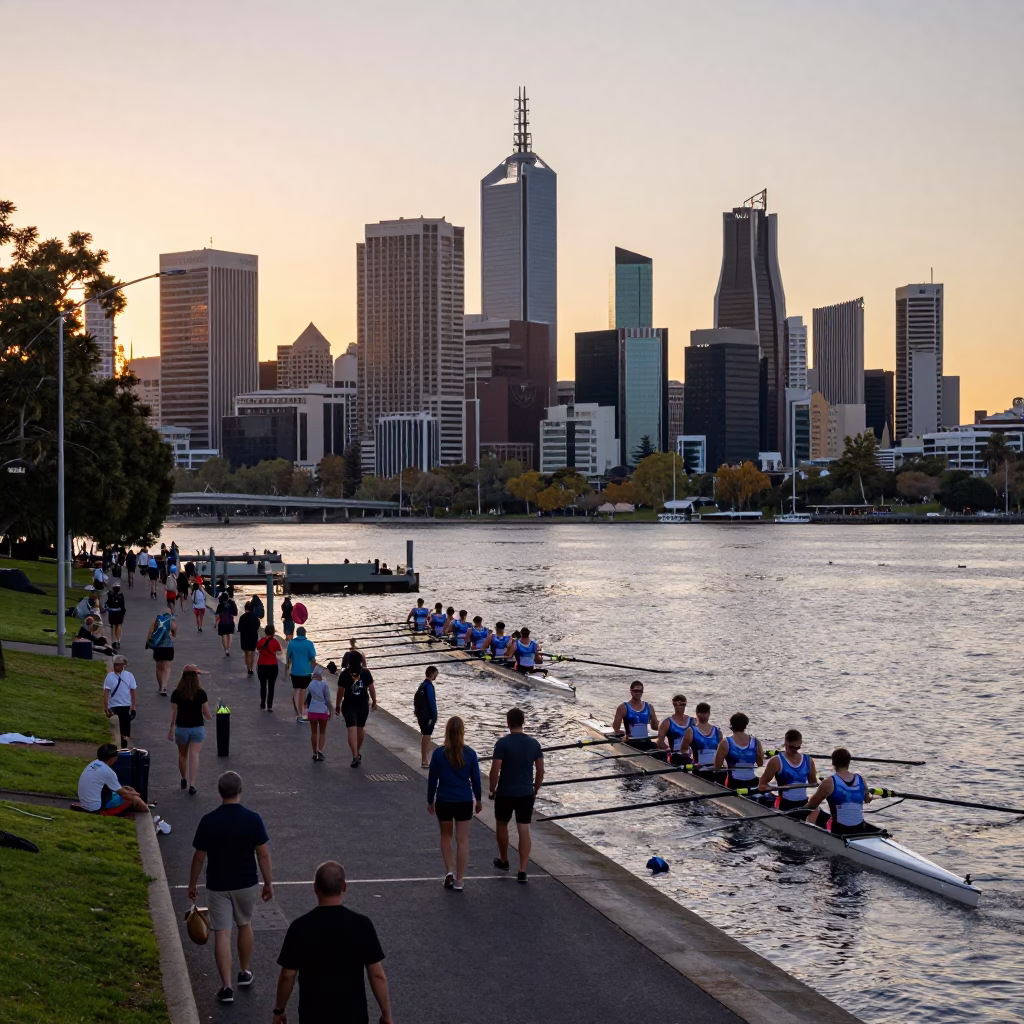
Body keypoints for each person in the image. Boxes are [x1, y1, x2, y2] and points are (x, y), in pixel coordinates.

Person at [188, 772, 274, 1006]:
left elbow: (199, 857)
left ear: (219, 792)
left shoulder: (209, 820)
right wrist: (268, 882)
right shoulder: (253, 819)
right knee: (245, 924)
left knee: (222, 934)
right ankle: (244, 972)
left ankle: (226, 987)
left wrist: (193, 883)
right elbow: (263, 854)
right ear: (240, 790)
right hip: (246, 883)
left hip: (218, 885)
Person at [273, 861, 392, 1024]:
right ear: (344, 886)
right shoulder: (361, 925)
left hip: (313, 1015)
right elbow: (377, 974)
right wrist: (386, 1014)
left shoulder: (300, 927)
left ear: (315, 888)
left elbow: (288, 975)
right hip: (353, 1016)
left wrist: (279, 1010)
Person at [488, 707, 544, 883]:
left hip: (505, 792)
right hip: (526, 792)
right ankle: (522, 869)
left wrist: (492, 789)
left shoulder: (502, 743)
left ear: (508, 722)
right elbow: (541, 771)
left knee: (502, 824)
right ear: (523, 722)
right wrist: (535, 788)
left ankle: (504, 859)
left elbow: (495, 770)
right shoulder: (534, 744)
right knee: (524, 828)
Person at [426, 716, 481, 891]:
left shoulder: (438, 754)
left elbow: (432, 780)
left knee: (446, 837)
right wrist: (478, 799)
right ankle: (460, 880)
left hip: (444, 800)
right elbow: (477, 781)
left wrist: (430, 800)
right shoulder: (470, 754)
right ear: (462, 732)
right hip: (464, 800)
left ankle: (449, 871)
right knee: (463, 840)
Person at [77, 743, 169, 830]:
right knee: (133, 799)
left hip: (86, 802)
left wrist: (130, 791)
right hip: (96, 807)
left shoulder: (94, 763)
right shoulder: (108, 772)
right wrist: (135, 795)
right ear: (113, 758)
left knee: (128, 788)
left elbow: (119, 788)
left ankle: (144, 806)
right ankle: (150, 819)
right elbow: (123, 793)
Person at [804, 748, 882, 836]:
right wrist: (871, 796)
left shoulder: (828, 782)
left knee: (814, 811)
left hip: (839, 830)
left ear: (833, 763)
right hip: (860, 828)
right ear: (849, 762)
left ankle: (807, 836)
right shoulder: (860, 779)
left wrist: (797, 811)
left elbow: (811, 805)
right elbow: (867, 799)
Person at [758, 729, 822, 816]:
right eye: (792, 747)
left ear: (801, 743)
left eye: (798, 747)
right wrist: (777, 788)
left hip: (804, 803)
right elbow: (762, 786)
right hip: (785, 804)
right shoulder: (776, 761)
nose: (795, 750)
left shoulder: (808, 760)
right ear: (785, 743)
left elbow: (813, 783)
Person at [169, 665, 212, 794]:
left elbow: (174, 713)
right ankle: (192, 784)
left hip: (181, 727)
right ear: (195, 676)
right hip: (197, 727)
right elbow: (206, 713)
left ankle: (183, 778)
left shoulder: (176, 693)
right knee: (195, 755)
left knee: (182, 755)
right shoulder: (201, 693)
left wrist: (171, 729)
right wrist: (211, 716)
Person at [335, 659, 376, 768]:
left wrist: (338, 705)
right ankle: (357, 752)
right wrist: (374, 701)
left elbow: (340, 691)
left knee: (351, 729)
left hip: (349, 704)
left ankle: (355, 755)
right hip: (363, 705)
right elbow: (371, 688)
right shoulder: (366, 672)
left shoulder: (344, 673)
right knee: (360, 728)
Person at [713, 712, 765, 791]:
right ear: (745, 725)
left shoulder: (725, 743)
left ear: (731, 725)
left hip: (734, 783)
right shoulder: (756, 742)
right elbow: (760, 763)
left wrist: (726, 765)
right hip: (753, 782)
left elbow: (717, 767)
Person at [679, 702, 723, 778]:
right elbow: (683, 750)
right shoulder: (691, 731)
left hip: (714, 768)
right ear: (697, 714)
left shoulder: (718, 732)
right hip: (699, 769)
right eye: (701, 713)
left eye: (705, 712)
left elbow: (722, 753)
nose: (704, 715)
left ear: (709, 714)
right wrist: (691, 762)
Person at [103, 655, 138, 749]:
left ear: (123, 666)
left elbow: (133, 692)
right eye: (115, 665)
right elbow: (106, 692)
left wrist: (133, 707)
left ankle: (123, 746)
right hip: (113, 707)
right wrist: (106, 707)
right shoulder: (109, 677)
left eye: (119, 665)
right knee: (115, 729)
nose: (116, 667)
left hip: (125, 706)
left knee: (125, 732)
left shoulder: (129, 676)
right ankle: (117, 747)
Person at [612, 681, 660, 747]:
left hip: (645, 741)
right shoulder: (623, 707)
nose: (638, 693)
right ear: (631, 691)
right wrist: (620, 732)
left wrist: (658, 724)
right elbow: (616, 727)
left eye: (640, 691)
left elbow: (655, 727)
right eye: (636, 691)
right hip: (630, 742)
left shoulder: (649, 706)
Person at [286, 626, 317, 724]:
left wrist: (287, 670)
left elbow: (288, 658)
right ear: (305, 633)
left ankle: (298, 713)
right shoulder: (309, 644)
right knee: (303, 692)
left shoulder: (292, 643)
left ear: (297, 633)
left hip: (295, 671)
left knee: (296, 690)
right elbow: (313, 659)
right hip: (306, 672)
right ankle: (301, 713)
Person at [147, 607, 177, 696]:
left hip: (158, 646)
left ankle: (160, 687)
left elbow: (150, 631)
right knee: (167, 668)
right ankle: (164, 687)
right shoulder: (172, 621)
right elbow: (174, 634)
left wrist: (148, 642)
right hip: (168, 647)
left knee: (159, 667)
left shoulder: (157, 619)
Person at [306, 666, 332, 762]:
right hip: (323, 711)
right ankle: (319, 751)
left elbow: (306, 699)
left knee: (313, 732)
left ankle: (314, 752)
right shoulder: (324, 684)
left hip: (312, 710)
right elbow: (328, 699)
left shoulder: (310, 685)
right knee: (322, 732)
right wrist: (330, 710)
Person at [414, 667, 439, 768]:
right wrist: (435, 716)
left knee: (426, 735)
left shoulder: (422, 685)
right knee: (427, 735)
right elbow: (432, 702)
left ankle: (426, 757)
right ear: (432, 674)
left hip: (421, 714)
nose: (437, 676)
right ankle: (424, 759)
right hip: (427, 716)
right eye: (436, 674)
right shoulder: (428, 686)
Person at [256, 624, 283, 711]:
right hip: (272, 665)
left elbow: (257, 649)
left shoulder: (260, 641)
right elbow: (279, 652)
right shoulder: (275, 642)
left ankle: (262, 703)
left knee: (263, 685)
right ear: (273, 632)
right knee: (271, 686)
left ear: (265, 632)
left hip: (262, 665)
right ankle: (270, 705)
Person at [237, 602, 261, 676]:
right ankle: (251, 668)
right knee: (252, 653)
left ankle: (248, 669)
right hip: (253, 636)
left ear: (245, 609)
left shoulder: (242, 617)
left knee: (247, 653)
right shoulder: (255, 617)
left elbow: (239, 628)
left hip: (244, 636)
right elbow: (258, 626)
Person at [104, 583, 126, 650]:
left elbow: (107, 604)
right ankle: (118, 641)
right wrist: (123, 613)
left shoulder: (110, 596)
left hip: (112, 614)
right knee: (119, 625)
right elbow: (123, 607)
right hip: (119, 613)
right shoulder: (121, 596)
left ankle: (113, 641)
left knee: (113, 626)